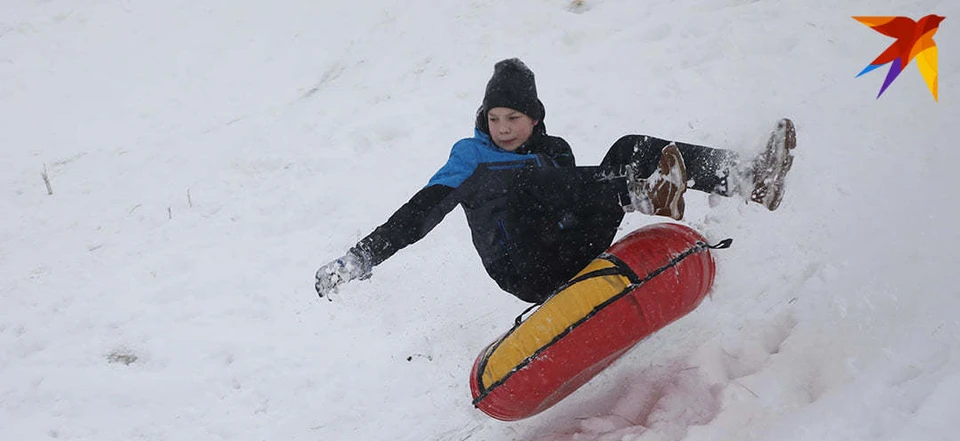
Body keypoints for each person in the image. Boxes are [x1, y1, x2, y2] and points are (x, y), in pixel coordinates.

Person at [315, 58, 795, 304]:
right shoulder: (471, 158)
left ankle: (750, 178)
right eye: (495, 118)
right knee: (527, 183)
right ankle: (639, 193)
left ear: (535, 117)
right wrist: (360, 258)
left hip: (574, 247)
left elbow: (573, 198)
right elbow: (418, 213)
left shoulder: (553, 151)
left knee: (631, 148)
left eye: (514, 117)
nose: (503, 128)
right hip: (525, 269)